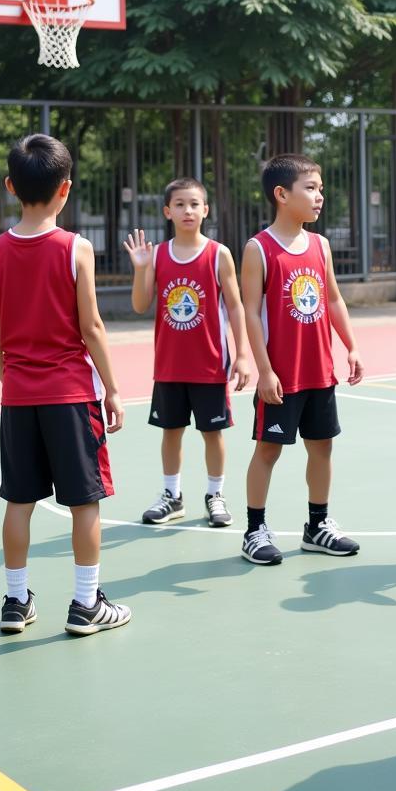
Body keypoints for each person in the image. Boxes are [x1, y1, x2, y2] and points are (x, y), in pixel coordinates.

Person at [0, 134, 130, 636]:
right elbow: (91, 328)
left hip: (18, 396)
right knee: (84, 503)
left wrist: (11, 379)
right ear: (65, 189)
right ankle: (86, 604)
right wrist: (111, 388)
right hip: (70, 395)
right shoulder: (76, 248)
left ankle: (14, 600)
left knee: (18, 502)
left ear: (9, 186)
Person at [239, 153, 364, 566]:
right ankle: (254, 529)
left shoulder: (321, 245)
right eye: (310, 188)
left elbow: (332, 299)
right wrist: (265, 370)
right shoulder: (258, 249)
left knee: (322, 448)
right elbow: (251, 314)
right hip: (282, 375)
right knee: (269, 451)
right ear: (281, 194)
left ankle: (317, 526)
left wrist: (352, 346)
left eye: (321, 189)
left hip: (318, 371)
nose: (319, 197)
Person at [123, 178, 250, 528]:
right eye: (179, 204)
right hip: (169, 365)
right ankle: (172, 495)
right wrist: (140, 268)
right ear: (167, 212)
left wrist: (241, 355)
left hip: (210, 365)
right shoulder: (158, 255)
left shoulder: (218, 254)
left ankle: (215, 495)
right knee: (171, 432)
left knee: (213, 433)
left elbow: (236, 306)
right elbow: (139, 304)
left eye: (194, 204)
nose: (187, 210)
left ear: (205, 210)